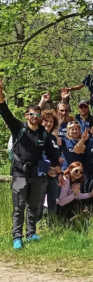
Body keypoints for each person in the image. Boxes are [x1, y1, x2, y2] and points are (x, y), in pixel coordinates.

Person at [0, 79, 63, 249]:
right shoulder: (18, 128)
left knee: (34, 206)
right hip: (20, 172)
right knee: (19, 207)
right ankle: (17, 237)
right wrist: (1, 92)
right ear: (26, 116)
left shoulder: (43, 134)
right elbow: (4, 111)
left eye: (37, 115)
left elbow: (53, 155)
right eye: (32, 115)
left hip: (36, 173)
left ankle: (31, 233)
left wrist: (60, 174)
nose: (35, 118)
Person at [39, 110, 63, 220]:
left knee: (53, 199)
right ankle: (36, 224)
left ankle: (52, 223)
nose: (48, 123)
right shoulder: (38, 135)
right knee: (39, 199)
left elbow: (54, 155)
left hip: (55, 174)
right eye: (46, 121)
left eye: (51, 122)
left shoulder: (53, 138)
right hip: (42, 172)